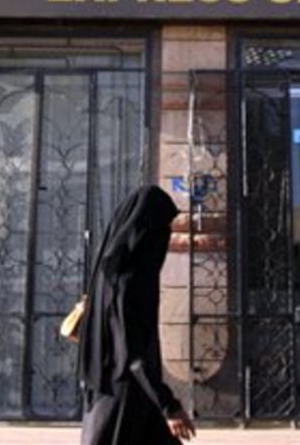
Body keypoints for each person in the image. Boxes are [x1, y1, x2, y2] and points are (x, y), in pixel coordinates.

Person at [79, 184, 196, 444]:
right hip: (126, 399)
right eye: (162, 229)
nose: (165, 237)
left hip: (126, 392)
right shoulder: (129, 281)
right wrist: (168, 404)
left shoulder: (108, 272)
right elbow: (132, 351)